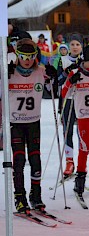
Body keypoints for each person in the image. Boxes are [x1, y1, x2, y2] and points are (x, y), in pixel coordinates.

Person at [8, 38, 57, 213]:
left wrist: (53, 76)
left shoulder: (40, 72)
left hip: (33, 122)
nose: (27, 60)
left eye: (31, 56)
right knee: (19, 160)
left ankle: (35, 196)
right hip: (15, 123)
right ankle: (19, 197)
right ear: (17, 55)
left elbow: (52, 90)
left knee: (35, 159)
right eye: (23, 56)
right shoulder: (10, 72)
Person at [61, 45, 89, 196]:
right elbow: (64, 94)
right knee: (84, 146)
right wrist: (70, 82)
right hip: (84, 116)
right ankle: (80, 178)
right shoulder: (75, 72)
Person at [57, 33, 84, 178]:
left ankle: (82, 160)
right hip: (68, 99)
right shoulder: (63, 60)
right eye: (72, 44)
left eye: (77, 44)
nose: (75, 47)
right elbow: (58, 81)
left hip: (82, 99)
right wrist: (66, 73)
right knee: (68, 131)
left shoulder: (86, 60)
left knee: (82, 131)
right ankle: (69, 161)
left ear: (81, 46)